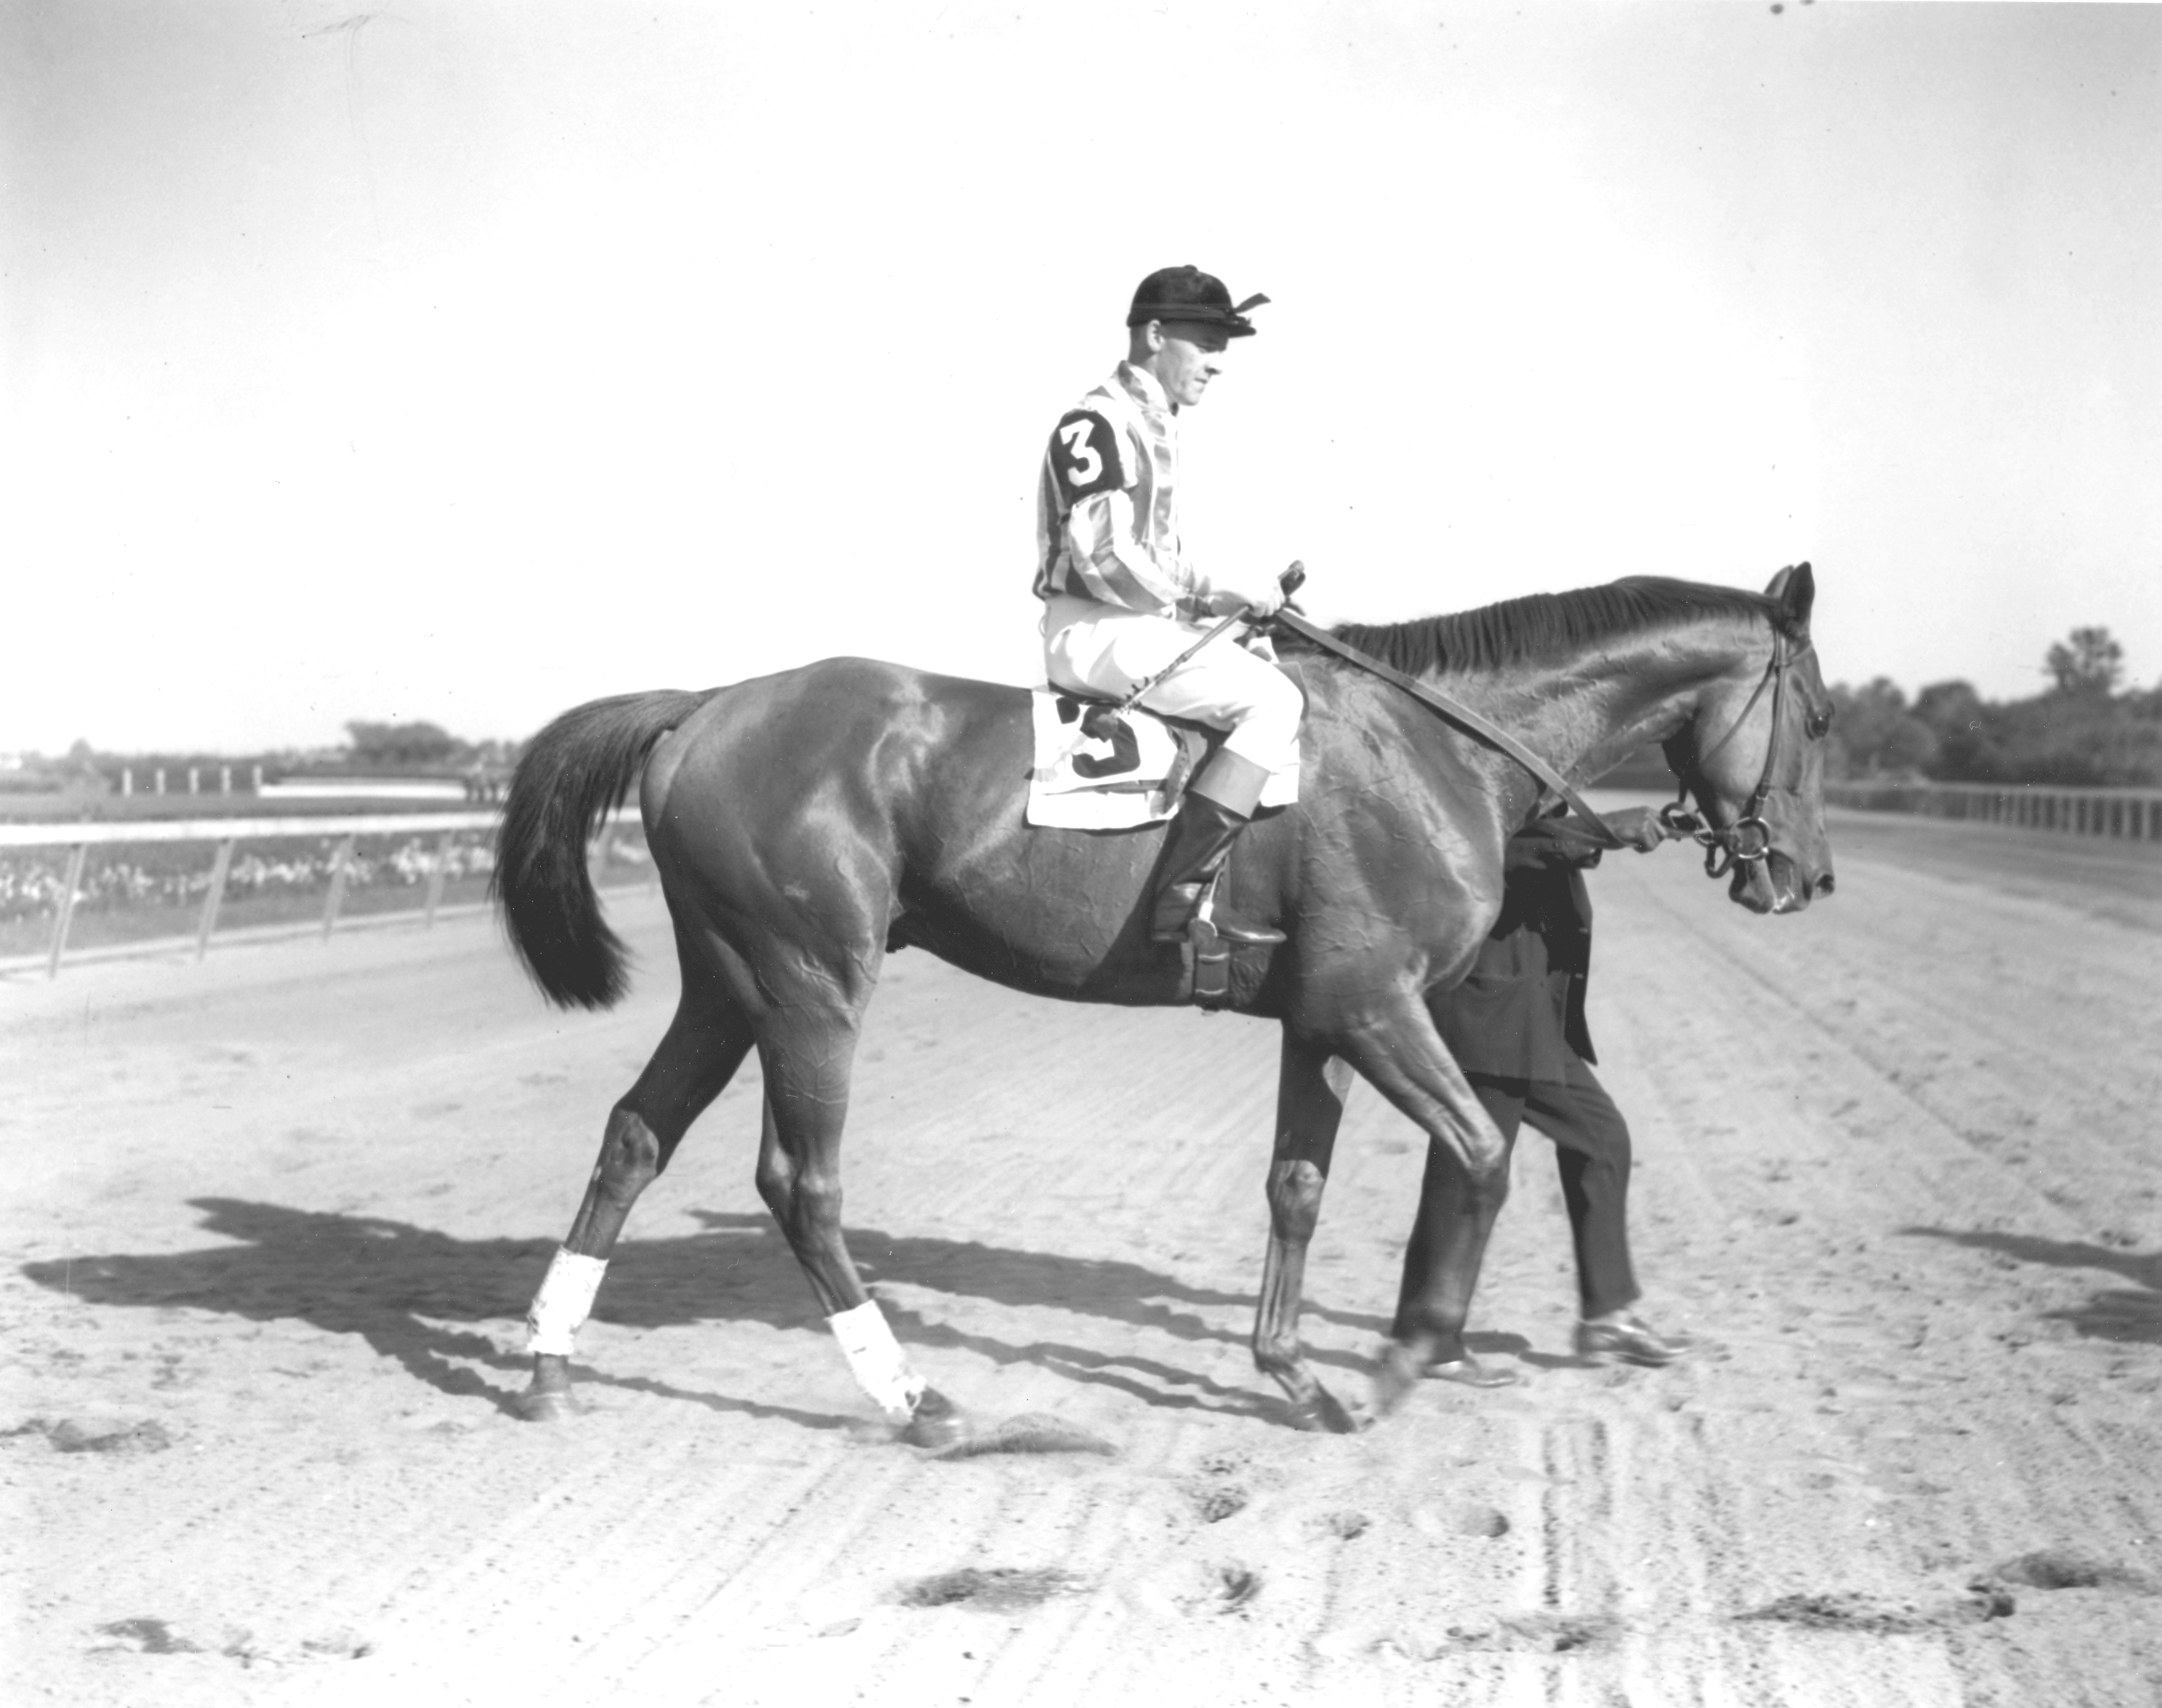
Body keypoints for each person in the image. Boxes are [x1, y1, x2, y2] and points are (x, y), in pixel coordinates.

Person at [1035, 264, 1306, 946]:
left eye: (1223, 350)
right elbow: (1105, 558)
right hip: (1095, 631)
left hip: (1131, 625)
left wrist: (1222, 614)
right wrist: (1210, 591)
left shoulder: (1154, 426)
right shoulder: (1098, 423)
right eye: (1208, 345)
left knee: (1274, 663)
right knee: (1275, 704)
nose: (1217, 365)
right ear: (1156, 335)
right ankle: (1184, 895)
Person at [1409, 805, 1698, 1386]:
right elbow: (1514, 850)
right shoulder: (1486, 787)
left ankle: (1607, 1316)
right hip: (1487, 1015)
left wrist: (1617, 830)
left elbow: (1549, 844)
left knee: (1601, 1138)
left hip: (1533, 1016)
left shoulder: (1538, 786)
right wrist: (1606, 830)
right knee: (1466, 1174)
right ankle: (1429, 1340)